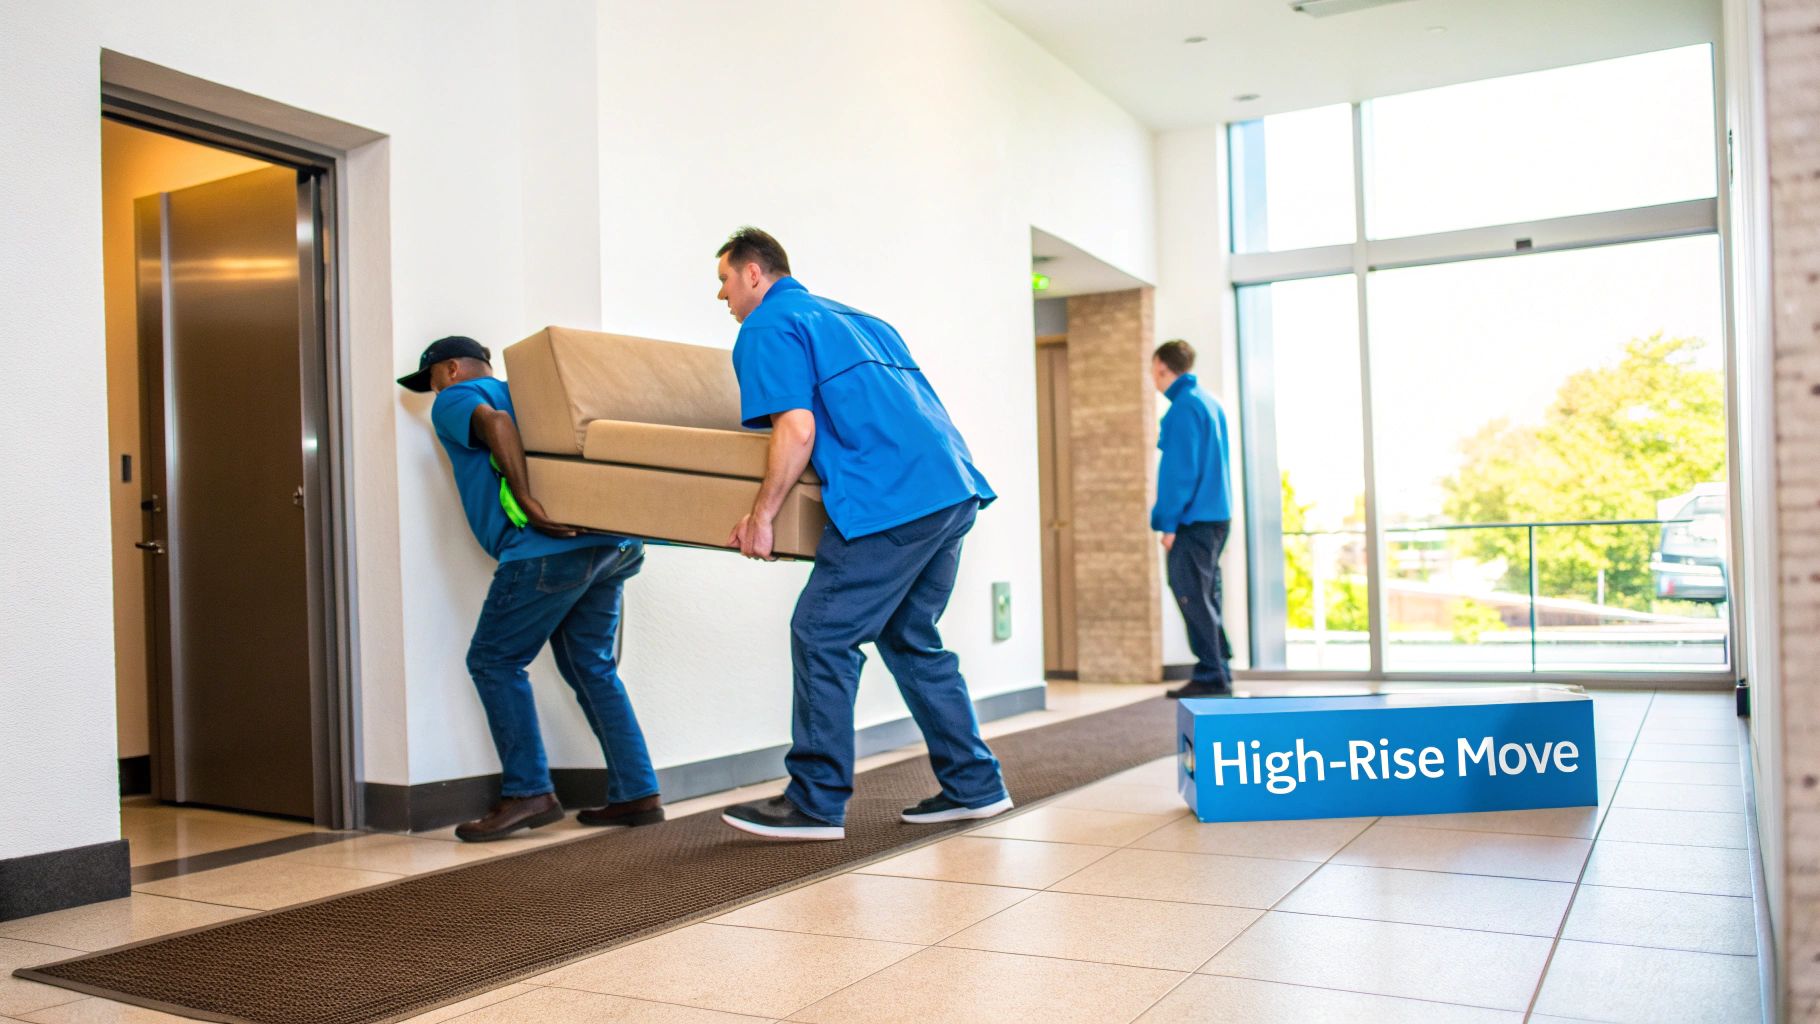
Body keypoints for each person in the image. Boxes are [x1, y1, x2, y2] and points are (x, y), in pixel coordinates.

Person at [712, 227, 1012, 841]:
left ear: (752, 274)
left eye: (723, 280)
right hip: (950, 488)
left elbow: (795, 430)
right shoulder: (861, 319)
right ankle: (975, 784)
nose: (722, 297)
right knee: (909, 637)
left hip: (892, 502)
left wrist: (762, 515)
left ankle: (815, 802)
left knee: (820, 632)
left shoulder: (768, 325)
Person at [398, 336, 664, 841]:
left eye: (430, 380)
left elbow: (493, 425)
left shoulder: (460, 396)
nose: (432, 392)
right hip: (614, 545)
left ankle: (528, 792)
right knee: (592, 666)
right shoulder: (531, 397)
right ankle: (637, 792)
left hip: (545, 551)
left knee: (493, 660)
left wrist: (527, 499)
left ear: (451, 369)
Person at [1150, 339, 1236, 699]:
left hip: (1193, 520)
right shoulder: (1209, 402)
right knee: (1205, 594)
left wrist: (1167, 523)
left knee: (1190, 593)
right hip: (1217, 517)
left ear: (1162, 369)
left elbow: (1179, 473)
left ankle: (1211, 673)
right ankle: (1219, 667)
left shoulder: (1183, 408)